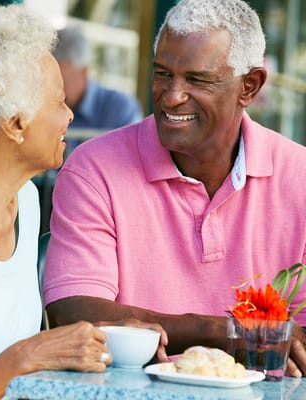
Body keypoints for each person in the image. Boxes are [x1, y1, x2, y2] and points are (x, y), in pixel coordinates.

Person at [0, 5, 167, 399]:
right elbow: (17, 359)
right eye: (58, 101)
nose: (69, 114)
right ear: (16, 123)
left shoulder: (23, 200)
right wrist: (26, 355)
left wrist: (101, 338)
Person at [43, 0, 306, 378]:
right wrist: (223, 331)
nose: (171, 96)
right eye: (163, 73)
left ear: (249, 87)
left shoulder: (299, 177)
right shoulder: (94, 167)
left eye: (197, 79)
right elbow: (75, 311)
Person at [53, 26, 143, 133]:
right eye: (46, 81)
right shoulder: (43, 109)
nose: (53, 89)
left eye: (60, 81)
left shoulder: (122, 109)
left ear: (84, 72)